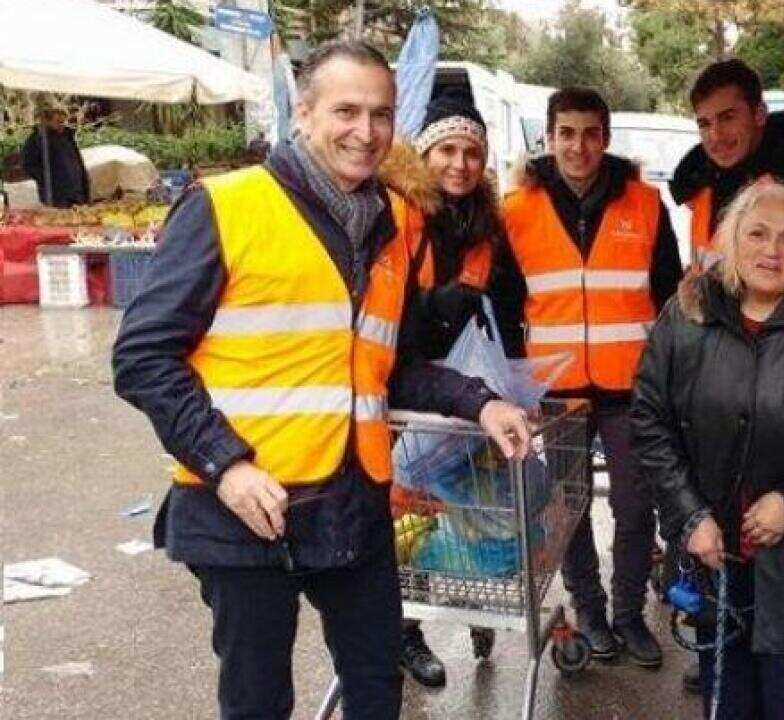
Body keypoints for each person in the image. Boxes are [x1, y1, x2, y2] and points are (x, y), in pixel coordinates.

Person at [112, 41, 530, 720]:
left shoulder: (396, 223)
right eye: (346, 111)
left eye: (381, 114)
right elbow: (142, 356)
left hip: (354, 505)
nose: (365, 132)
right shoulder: (227, 206)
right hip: (247, 511)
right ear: (303, 113)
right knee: (258, 703)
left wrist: (480, 402)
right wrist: (226, 464)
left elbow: (386, 366)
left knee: (375, 686)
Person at [632, 181, 784, 718]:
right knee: (726, 687)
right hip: (713, 546)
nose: (772, 250)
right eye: (757, 234)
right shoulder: (688, 311)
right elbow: (650, 420)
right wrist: (690, 518)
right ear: (731, 241)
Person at [502, 87, 683, 667]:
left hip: (631, 389)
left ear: (605, 138)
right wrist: (515, 387)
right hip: (555, 392)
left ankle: (629, 615)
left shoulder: (645, 203)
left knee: (635, 507)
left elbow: (671, 296)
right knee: (570, 508)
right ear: (549, 138)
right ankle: (591, 611)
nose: (579, 146)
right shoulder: (517, 208)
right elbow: (506, 307)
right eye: (567, 133)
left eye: (590, 133)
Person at [377, 95, 526, 688]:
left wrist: (518, 382)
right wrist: (439, 310)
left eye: (471, 152)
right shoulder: (403, 218)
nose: (460, 164)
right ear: (423, 152)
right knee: (411, 520)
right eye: (447, 150)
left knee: (474, 510)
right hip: (411, 397)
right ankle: (406, 633)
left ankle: (476, 606)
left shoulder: (488, 227)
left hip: (476, 399)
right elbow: (391, 314)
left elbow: (510, 307)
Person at [672, 58, 784, 275]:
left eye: (727, 118)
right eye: (704, 124)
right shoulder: (700, 187)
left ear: (759, 114)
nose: (715, 135)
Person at [21, 98, 90, 208]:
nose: (62, 125)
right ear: (47, 121)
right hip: (56, 194)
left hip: (77, 192)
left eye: (63, 122)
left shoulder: (67, 136)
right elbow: (28, 164)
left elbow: (77, 161)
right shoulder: (38, 139)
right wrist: (46, 178)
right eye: (58, 122)